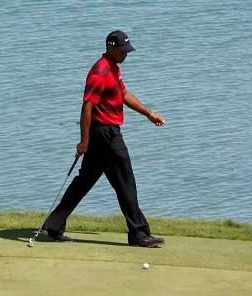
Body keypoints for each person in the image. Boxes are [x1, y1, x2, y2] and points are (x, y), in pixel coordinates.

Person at [42, 30, 166, 248]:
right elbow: (86, 108)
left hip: (105, 133)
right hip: (105, 134)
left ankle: (54, 225)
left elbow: (124, 94)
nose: (126, 54)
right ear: (110, 48)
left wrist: (148, 113)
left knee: (85, 181)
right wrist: (84, 141)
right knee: (125, 180)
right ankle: (138, 234)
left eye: (127, 50)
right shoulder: (99, 72)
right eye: (122, 50)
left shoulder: (113, 69)